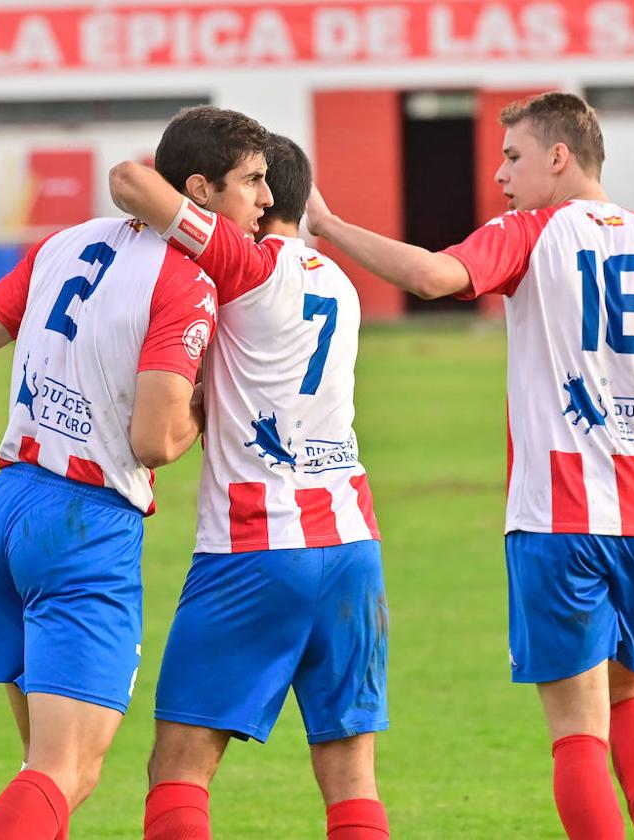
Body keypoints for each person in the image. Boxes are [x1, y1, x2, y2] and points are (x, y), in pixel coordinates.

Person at [307, 91, 634, 840]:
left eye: (513, 157)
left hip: (558, 515)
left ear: (559, 158)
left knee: (576, 731)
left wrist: (332, 228)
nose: (501, 175)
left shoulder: (531, 231)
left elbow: (435, 278)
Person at [0, 106, 270, 839]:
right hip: (81, 526)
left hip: (6, 508)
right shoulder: (186, 280)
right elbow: (152, 440)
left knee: (43, 770)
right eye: (251, 182)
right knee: (63, 772)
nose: (264, 199)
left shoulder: (66, 244)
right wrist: (213, 405)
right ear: (200, 191)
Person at [110, 128, 389, 839]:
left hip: (256, 548)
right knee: (351, 776)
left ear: (267, 200)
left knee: (178, 767)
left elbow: (134, 184)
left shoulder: (252, 264)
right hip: (353, 545)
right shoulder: (343, 286)